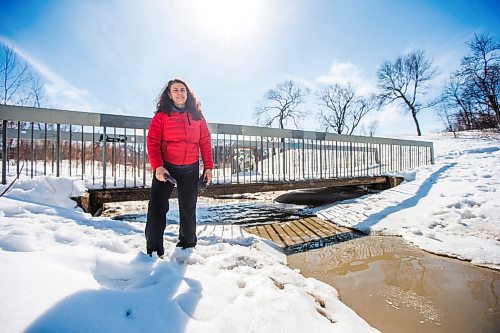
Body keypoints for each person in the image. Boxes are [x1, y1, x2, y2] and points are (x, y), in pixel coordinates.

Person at [146, 78, 213, 257]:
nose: (179, 93)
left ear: (187, 93)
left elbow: (205, 142)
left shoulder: (197, 116)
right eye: (175, 90)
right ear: (169, 94)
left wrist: (208, 167)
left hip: (190, 168)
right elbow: (152, 142)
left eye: (182, 90)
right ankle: (153, 249)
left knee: (188, 207)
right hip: (166, 168)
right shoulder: (161, 116)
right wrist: (158, 167)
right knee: (157, 207)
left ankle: (187, 244)